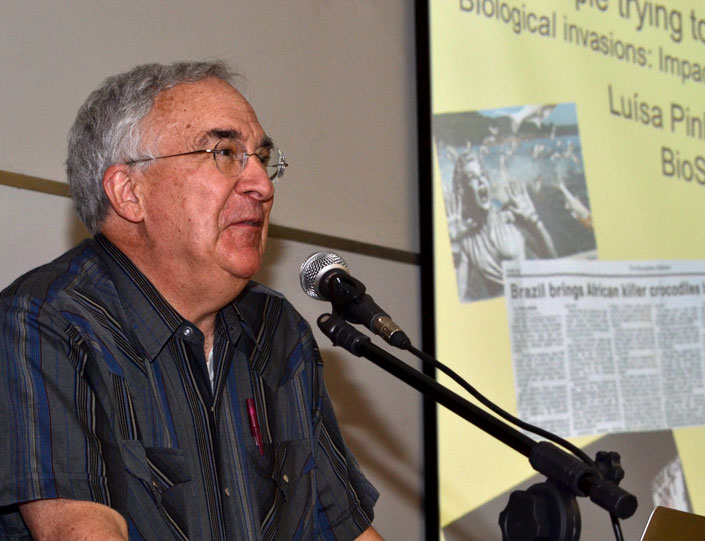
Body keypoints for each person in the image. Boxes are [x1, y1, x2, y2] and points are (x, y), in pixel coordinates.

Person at [0, 61, 381, 540]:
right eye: (225, 152)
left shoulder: (276, 328)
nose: (262, 185)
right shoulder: (44, 323)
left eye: (263, 158)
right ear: (128, 192)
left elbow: (347, 531)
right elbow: (80, 532)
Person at [446, 152, 557, 302]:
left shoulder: (511, 217)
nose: (480, 181)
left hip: (535, 299)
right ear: (464, 190)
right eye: (472, 178)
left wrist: (534, 221)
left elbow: (553, 261)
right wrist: (454, 242)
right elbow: (460, 297)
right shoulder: (467, 241)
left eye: (482, 175)